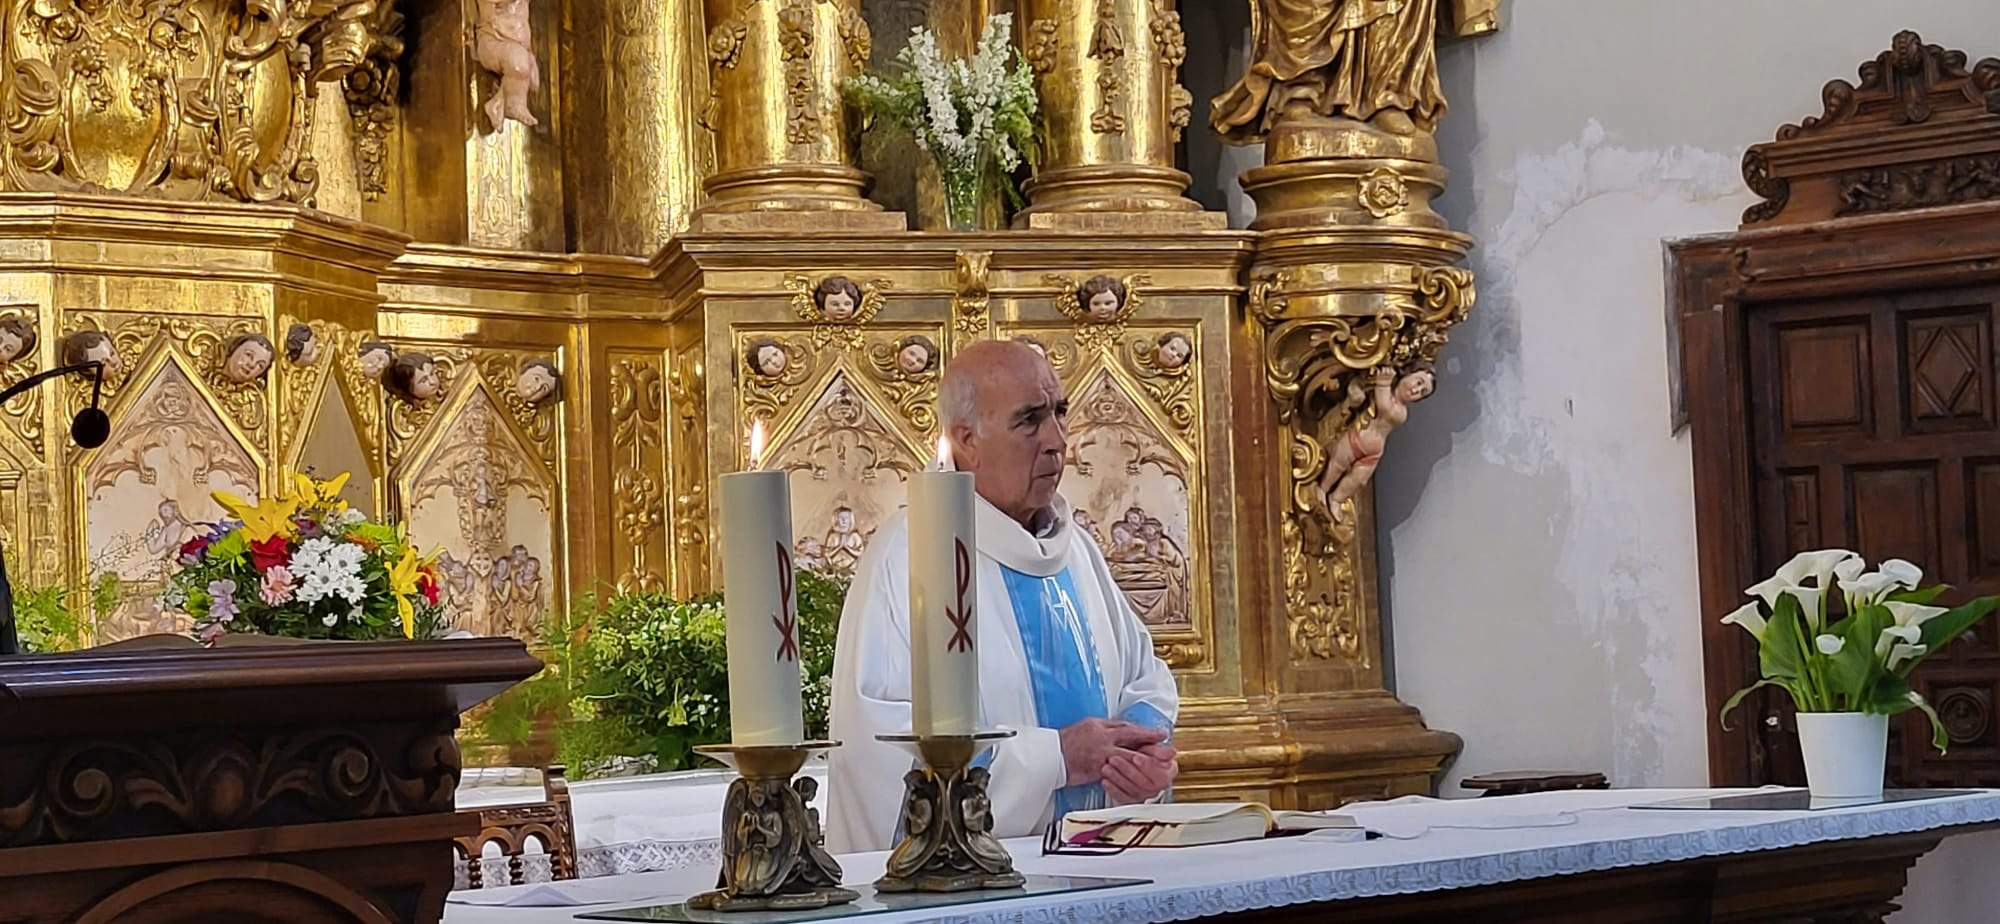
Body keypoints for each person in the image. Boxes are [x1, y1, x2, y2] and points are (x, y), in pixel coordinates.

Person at [828, 340, 1179, 854]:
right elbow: (879, 747)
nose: (1059, 441)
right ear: (967, 440)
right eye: (1029, 420)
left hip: (1104, 865)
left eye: (1060, 413)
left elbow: (1145, 678)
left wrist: (1139, 753)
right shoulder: (909, 557)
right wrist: (1055, 759)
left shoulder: (1075, 548)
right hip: (971, 885)